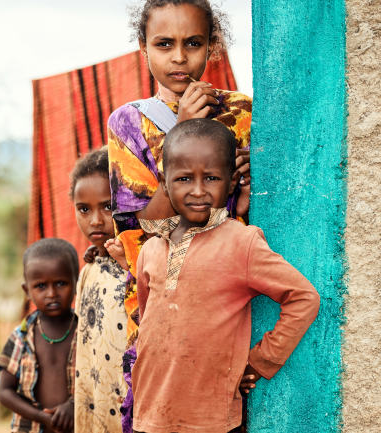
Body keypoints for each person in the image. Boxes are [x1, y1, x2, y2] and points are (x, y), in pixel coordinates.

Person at [107, 1, 252, 429]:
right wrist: (181, 134)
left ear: (212, 45)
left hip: (228, 302)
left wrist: (243, 186)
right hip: (161, 307)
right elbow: (142, 227)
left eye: (192, 43)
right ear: (143, 47)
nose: (178, 57)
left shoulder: (241, 114)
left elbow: (256, 212)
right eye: (164, 44)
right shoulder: (129, 123)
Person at [125, 119, 319, 432]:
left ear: (230, 183)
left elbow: (304, 297)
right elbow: (148, 321)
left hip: (211, 420)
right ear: (165, 182)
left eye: (211, 178)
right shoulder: (150, 249)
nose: (198, 191)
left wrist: (261, 360)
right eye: (184, 178)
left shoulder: (241, 243)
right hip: (151, 411)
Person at [68, 148, 129, 433]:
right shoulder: (88, 271)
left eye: (107, 206)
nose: (95, 220)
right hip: (95, 406)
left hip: (130, 406)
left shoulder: (141, 266)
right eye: (84, 209)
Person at [0, 238, 78, 433]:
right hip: (30, 428)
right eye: (41, 286)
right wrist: (41, 417)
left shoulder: (87, 333)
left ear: (77, 283)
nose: (51, 293)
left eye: (60, 283)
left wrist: (74, 405)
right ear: (27, 291)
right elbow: (4, 392)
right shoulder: (20, 338)